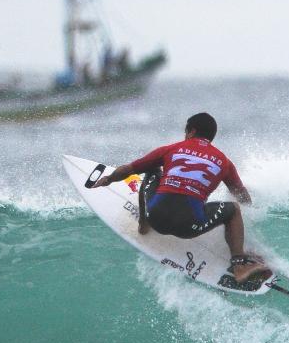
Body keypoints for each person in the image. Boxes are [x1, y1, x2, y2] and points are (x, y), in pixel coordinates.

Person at [92, 112, 270, 284]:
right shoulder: (224, 162)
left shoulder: (171, 149)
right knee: (234, 210)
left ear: (191, 131)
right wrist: (251, 213)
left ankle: (144, 225)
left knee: (152, 169)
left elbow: (128, 169)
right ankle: (239, 266)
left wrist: (108, 179)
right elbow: (241, 195)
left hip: (156, 218)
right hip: (189, 226)